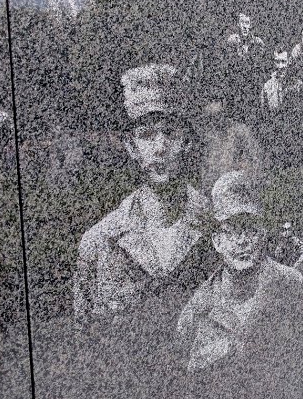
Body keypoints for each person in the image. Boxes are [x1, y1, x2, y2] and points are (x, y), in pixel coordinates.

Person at [72, 62, 214, 332]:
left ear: (186, 142)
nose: (160, 147)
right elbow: (86, 344)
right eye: (147, 135)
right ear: (131, 147)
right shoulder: (100, 242)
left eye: (170, 133)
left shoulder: (218, 231)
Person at [176, 171, 303, 372]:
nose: (242, 240)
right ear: (217, 241)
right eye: (232, 230)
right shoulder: (197, 310)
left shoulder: (292, 284)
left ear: (263, 233)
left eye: (251, 229)